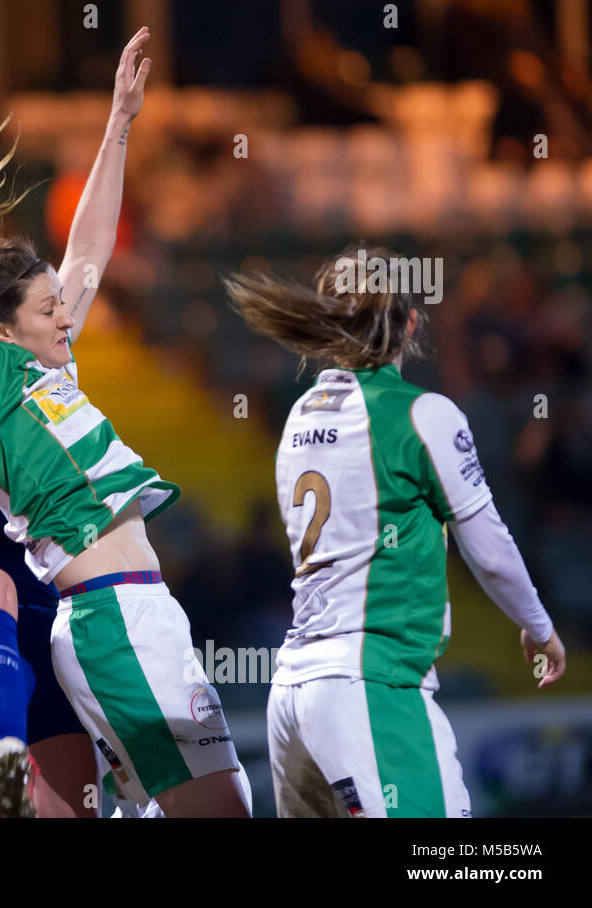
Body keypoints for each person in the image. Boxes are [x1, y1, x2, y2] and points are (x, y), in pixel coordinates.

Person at [0, 35, 251, 818]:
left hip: (142, 611)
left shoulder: (53, 369)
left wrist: (120, 121)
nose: (70, 312)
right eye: (49, 307)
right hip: (110, 615)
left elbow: (90, 247)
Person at [225, 246, 566, 817]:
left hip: (292, 693)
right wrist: (539, 625)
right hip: (370, 684)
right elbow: (489, 550)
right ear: (411, 323)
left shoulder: (301, 414)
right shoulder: (422, 414)